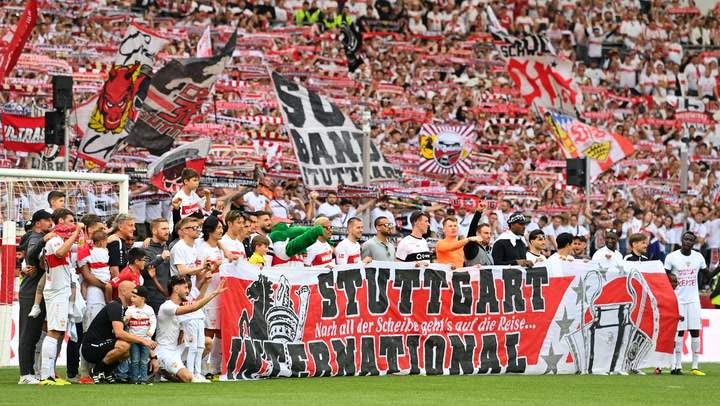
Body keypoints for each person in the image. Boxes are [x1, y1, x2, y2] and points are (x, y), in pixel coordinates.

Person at [39, 209, 85, 385]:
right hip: (56, 291)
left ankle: (50, 374)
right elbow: (59, 253)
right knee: (54, 331)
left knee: (58, 332)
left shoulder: (59, 240)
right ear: (60, 221)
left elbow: (80, 246)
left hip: (60, 290)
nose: (73, 224)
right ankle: (45, 376)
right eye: (70, 221)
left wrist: (79, 234)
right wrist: (75, 232)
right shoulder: (55, 241)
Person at [82, 281, 157, 384]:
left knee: (129, 348)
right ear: (124, 291)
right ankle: (96, 370)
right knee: (124, 345)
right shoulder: (115, 306)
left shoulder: (127, 310)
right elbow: (119, 333)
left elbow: (135, 334)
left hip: (105, 344)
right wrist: (143, 341)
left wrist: (153, 356)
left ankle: (107, 372)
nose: (135, 295)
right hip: (91, 347)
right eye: (133, 292)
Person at [156, 275, 226, 383]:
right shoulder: (167, 306)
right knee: (187, 378)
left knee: (207, 342)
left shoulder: (180, 305)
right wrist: (214, 293)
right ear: (176, 289)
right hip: (165, 351)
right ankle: (165, 372)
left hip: (177, 349)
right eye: (185, 287)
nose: (188, 291)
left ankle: (186, 370)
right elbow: (194, 307)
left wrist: (205, 282)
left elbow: (194, 302)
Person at [664, 232, 715, 376]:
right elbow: (664, 276)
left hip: (693, 300)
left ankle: (695, 366)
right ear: (682, 240)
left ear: (694, 243)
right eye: (686, 239)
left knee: (695, 331)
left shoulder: (698, 257)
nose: (687, 241)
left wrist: (718, 268)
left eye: (691, 240)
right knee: (679, 332)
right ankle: (677, 365)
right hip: (678, 300)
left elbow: (707, 276)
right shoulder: (671, 257)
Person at [17, 210, 53, 385]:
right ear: (38, 223)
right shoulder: (36, 236)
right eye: (47, 220)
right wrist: (43, 241)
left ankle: (31, 371)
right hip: (31, 292)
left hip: (37, 291)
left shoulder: (34, 236)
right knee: (28, 334)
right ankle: (25, 374)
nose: (50, 223)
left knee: (33, 333)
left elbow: (27, 256)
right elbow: (31, 254)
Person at [197, 216, 225, 380]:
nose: (221, 230)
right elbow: (200, 274)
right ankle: (201, 367)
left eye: (222, 227)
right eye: (218, 227)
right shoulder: (203, 249)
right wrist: (213, 268)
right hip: (208, 295)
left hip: (222, 294)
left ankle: (216, 367)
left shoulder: (221, 248)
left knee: (221, 331)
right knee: (209, 331)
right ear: (209, 230)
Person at [124, 286, 156, 384]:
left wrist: (151, 331)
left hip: (146, 340)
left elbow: (153, 322)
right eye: (132, 296)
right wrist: (126, 320)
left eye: (134, 297)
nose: (131, 299)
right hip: (134, 339)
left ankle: (143, 379)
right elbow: (124, 323)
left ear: (142, 298)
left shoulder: (149, 309)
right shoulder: (129, 310)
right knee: (135, 360)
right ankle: (134, 379)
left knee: (144, 360)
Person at [143, 218, 172, 314]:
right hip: (153, 297)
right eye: (163, 229)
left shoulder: (166, 246)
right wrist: (161, 258)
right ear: (154, 231)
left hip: (168, 295)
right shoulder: (146, 248)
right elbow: (144, 269)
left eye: (168, 228)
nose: (167, 232)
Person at [108, 213, 136, 277]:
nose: (134, 229)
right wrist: (120, 283)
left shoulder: (120, 241)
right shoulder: (115, 242)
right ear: (120, 227)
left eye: (134, 225)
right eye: (131, 225)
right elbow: (114, 271)